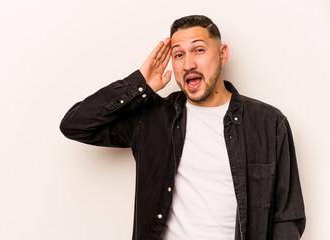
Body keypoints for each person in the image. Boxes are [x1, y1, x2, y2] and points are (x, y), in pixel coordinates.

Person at [60, 15, 305, 240]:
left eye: (198, 50)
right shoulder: (151, 119)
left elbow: (286, 218)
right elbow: (75, 125)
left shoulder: (268, 123)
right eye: (178, 55)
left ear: (222, 54)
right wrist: (139, 84)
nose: (188, 64)